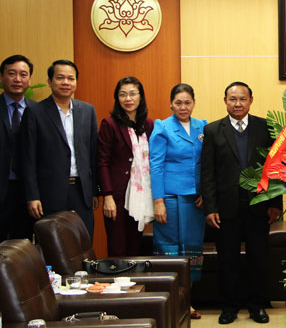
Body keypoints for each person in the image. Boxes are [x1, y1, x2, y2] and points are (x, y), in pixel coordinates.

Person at [201, 81, 282, 325]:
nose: (237, 103)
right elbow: (207, 173)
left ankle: (257, 305)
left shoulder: (265, 127)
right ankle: (228, 307)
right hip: (226, 208)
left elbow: (275, 168)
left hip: (258, 206)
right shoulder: (214, 130)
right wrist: (210, 208)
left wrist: (276, 202)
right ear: (225, 101)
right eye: (232, 99)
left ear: (251, 100)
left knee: (258, 258)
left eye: (242, 99)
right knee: (228, 260)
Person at [21, 59, 99, 238]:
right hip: (50, 193)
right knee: (53, 245)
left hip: (81, 192)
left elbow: (92, 153)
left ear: (76, 82)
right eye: (60, 78)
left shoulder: (87, 111)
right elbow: (28, 158)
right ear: (50, 81)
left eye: (71, 78)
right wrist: (32, 196)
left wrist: (94, 191)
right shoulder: (35, 112)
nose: (66, 82)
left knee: (83, 241)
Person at [149, 83, 207, 319]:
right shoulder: (162, 127)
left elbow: (207, 163)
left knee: (192, 249)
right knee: (171, 250)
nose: (183, 107)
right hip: (170, 198)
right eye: (178, 103)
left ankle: (187, 302)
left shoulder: (202, 126)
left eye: (187, 102)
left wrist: (206, 192)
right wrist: (158, 201)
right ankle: (171, 302)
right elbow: (156, 165)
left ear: (193, 103)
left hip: (196, 200)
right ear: (171, 104)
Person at [98, 77, 154, 257]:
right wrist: (107, 196)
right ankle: (117, 284)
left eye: (132, 94)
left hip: (141, 195)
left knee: (135, 246)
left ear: (140, 97)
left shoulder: (149, 125)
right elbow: (102, 161)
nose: (128, 99)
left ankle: (136, 284)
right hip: (118, 196)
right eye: (122, 95)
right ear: (117, 98)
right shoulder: (110, 124)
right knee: (118, 247)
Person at [0, 55, 36, 240]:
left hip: (28, 192)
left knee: (24, 246)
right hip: (2, 188)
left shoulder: (39, 111)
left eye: (23, 74)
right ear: (1, 77)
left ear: (29, 79)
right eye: (11, 74)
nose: (17, 79)